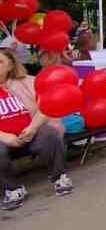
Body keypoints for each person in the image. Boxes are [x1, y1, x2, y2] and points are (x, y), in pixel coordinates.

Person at [0, 48, 72, 209]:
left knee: (50, 134)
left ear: (10, 65)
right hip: (3, 142)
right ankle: (12, 190)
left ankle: (59, 177)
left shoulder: (28, 82)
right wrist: (5, 136)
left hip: (29, 134)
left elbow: (46, 106)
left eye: (0, 62)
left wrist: (32, 128)